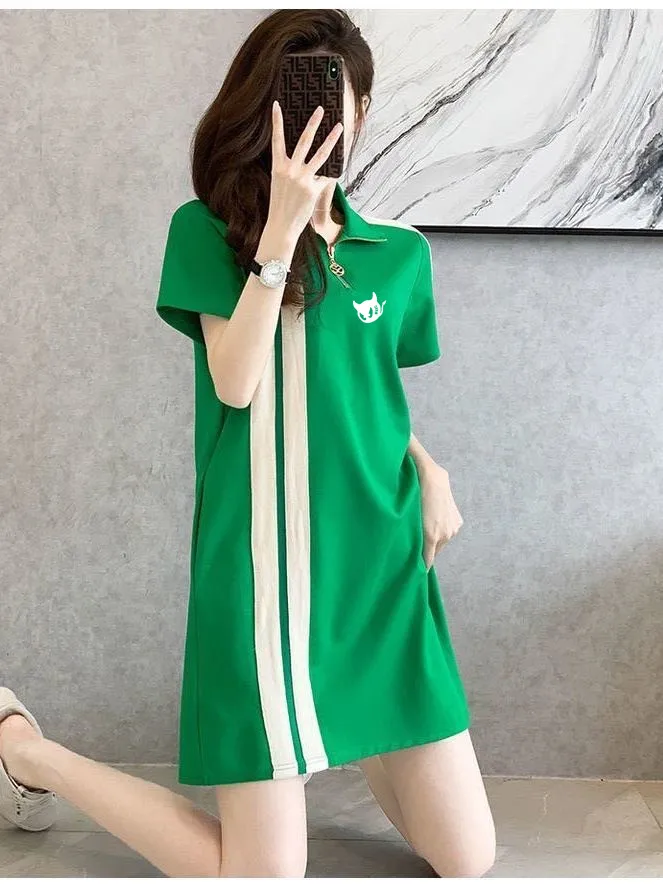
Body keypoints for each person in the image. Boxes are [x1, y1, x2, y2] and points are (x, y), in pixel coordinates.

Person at [0, 9, 496, 878]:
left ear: (362, 111)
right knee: (261, 877)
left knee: (467, 859)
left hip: (379, 563)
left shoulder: (398, 253)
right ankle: (25, 752)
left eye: (334, 103)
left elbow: (360, 396)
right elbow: (236, 381)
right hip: (264, 567)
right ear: (257, 109)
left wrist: (430, 467)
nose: (313, 122)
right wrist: (279, 234)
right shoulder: (206, 232)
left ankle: (346, 722)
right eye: (291, 100)